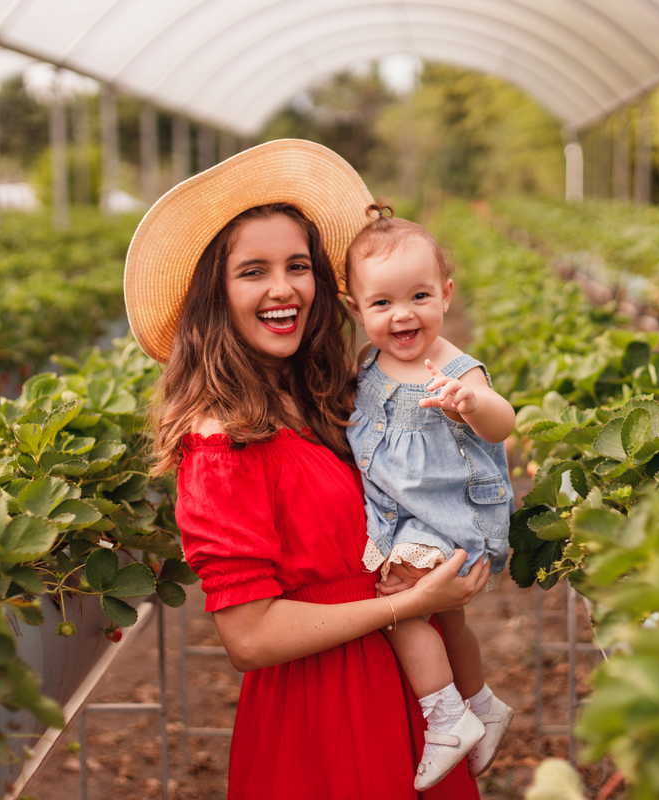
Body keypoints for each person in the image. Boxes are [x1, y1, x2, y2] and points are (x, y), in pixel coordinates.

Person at [123, 139, 488, 800]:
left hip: (401, 682)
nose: (283, 288)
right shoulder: (220, 445)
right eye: (252, 271)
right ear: (214, 295)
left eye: (297, 266)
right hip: (323, 710)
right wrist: (410, 604)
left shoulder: (322, 396)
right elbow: (249, 636)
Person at [343, 208, 516, 790]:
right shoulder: (368, 364)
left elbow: (503, 423)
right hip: (401, 517)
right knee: (448, 620)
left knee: (400, 603)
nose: (403, 314)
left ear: (446, 294)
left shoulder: (456, 370)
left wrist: (472, 404)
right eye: (382, 303)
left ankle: (445, 718)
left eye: (419, 296)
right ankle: (481, 702)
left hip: (452, 519)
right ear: (357, 311)